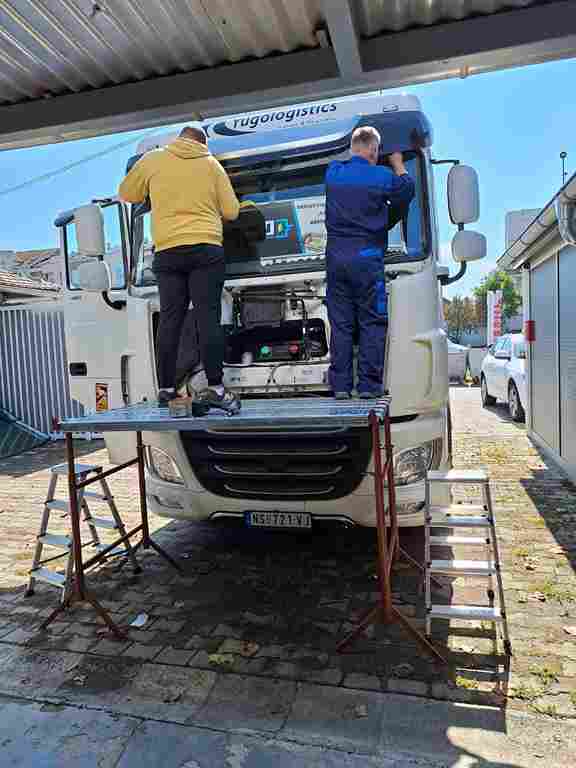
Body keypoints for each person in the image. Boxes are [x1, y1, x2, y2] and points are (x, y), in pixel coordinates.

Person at [119, 125, 241, 414]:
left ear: (179, 139)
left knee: (171, 320)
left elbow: (127, 193)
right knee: (206, 317)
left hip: (168, 252)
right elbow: (232, 211)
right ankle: (216, 386)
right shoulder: (211, 165)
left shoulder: (153, 159)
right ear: (203, 144)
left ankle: (166, 388)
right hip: (205, 250)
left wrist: (154, 191)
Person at [325, 126, 415, 399]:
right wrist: (398, 164)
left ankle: (340, 386)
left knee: (340, 324)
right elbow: (406, 190)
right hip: (367, 260)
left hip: (336, 260)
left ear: (353, 148)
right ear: (374, 151)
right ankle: (368, 387)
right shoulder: (381, 176)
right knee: (371, 323)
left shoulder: (333, 173)